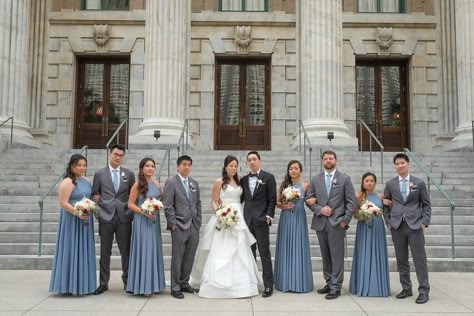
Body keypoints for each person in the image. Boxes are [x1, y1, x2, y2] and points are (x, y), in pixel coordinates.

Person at [190, 155, 263, 298]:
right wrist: (220, 214)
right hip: (223, 217)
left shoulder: (240, 181)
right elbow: (213, 201)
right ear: (225, 167)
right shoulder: (219, 182)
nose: (234, 168)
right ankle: (216, 283)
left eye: (236, 166)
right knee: (221, 248)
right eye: (231, 166)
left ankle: (243, 283)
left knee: (240, 247)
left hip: (239, 217)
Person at [306, 150, 355, 300]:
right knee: (325, 256)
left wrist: (344, 221)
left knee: (337, 256)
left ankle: (336, 286)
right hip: (321, 223)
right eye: (325, 158)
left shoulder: (344, 179)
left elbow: (351, 203)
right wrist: (320, 209)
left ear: (336, 161)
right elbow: (308, 199)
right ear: (322, 161)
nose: (328, 160)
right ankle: (328, 282)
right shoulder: (315, 180)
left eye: (331, 158)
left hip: (337, 223)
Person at [384, 153, 431, 304]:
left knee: (419, 259)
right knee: (401, 259)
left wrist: (425, 222)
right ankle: (406, 288)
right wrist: (388, 221)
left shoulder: (419, 183)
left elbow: (426, 204)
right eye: (397, 164)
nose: (400, 166)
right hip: (397, 226)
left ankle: (423, 290)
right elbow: (386, 204)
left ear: (408, 164)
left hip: (415, 225)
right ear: (395, 166)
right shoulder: (390, 184)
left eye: (402, 163)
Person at [49, 154, 96, 295]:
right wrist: (77, 212)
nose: (82, 168)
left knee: (83, 250)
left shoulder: (87, 181)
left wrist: (92, 203)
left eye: (84, 165)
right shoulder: (68, 182)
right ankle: (68, 285)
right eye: (79, 165)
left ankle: (83, 284)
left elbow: (89, 197)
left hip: (85, 219)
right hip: (72, 220)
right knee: (71, 248)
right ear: (72, 166)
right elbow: (63, 202)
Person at [92, 144, 135, 295]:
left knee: (126, 252)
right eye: (116, 154)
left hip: (124, 217)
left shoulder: (129, 174)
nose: (118, 157)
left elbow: (133, 195)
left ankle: (128, 281)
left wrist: (130, 212)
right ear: (110, 154)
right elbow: (94, 195)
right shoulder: (99, 174)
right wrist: (99, 213)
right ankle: (103, 283)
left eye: (121, 155)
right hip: (106, 217)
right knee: (105, 252)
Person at [163, 155, 202, 299]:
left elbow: (197, 203)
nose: (187, 167)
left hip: (193, 224)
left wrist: (198, 221)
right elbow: (168, 205)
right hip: (178, 224)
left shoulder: (194, 183)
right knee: (178, 257)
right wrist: (172, 223)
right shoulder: (171, 182)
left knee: (190, 255)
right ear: (178, 166)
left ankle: (185, 282)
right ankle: (175, 286)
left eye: (189, 164)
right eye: (184, 164)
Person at [126, 158, 166, 296]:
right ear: (141, 168)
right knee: (145, 250)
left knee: (153, 249)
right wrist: (145, 212)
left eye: (153, 166)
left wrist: (157, 205)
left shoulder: (156, 183)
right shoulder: (137, 185)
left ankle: (154, 284)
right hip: (142, 220)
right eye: (147, 166)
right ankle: (143, 285)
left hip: (154, 220)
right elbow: (130, 204)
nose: (150, 168)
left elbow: (160, 199)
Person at [240, 151, 277, 298]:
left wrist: (268, 216)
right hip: (247, 221)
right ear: (247, 163)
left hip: (261, 221)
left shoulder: (268, 177)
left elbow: (272, 199)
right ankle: (252, 282)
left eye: (254, 159)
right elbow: (240, 198)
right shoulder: (243, 180)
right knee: (250, 253)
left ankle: (268, 285)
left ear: (259, 161)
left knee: (264, 253)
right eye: (249, 160)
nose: (252, 162)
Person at [274, 160, 313, 293]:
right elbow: (277, 203)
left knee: (298, 245)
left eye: (296, 168)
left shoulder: (306, 185)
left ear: (300, 170)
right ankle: (284, 281)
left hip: (298, 217)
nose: (293, 170)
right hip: (286, 218)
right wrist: (284, 206)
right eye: (291, 168)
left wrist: (314, 201)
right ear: (288, 171)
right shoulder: (284, 185)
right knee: (286, 246)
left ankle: (299, 281)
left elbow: (310, 201)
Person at [349, 172, 390, 297]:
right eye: (366, 181)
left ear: (375, 182)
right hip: (364, 228)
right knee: (364, 254)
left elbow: (386, 211)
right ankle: (363, 284)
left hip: (378, 228)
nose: (369, 183)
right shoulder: (359, 197)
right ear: (362, 183)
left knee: (378, 253)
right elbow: (354, 214)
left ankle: (378, 286)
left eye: (371, 180)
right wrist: (363, 215)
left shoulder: (381, 196)